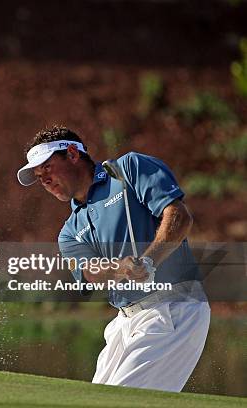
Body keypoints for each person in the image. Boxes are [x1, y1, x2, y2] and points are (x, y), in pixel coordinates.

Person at [16, 125, 210, 392]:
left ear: (72, 154)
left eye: (47, 168)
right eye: (38, 176)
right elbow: (89, 272)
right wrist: (119, 268)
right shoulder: (69, 232)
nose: (44, 180)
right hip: (124, 322)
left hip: (173, 308)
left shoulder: (128, 170)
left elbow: (178, 216)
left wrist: (149, 260)